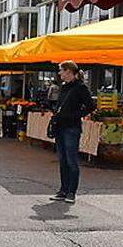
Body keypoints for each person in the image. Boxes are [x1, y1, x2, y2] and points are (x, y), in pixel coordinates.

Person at [51, 60, 96, 204]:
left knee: (71, 160)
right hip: (60, 127)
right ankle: (63, 190)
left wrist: (74, 115)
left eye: (61, 70)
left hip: (71, 128)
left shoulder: (80, 87)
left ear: (68, 71)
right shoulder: (63, 87)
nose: (59, 73)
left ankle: (71, 192)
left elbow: (90, 106)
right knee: (62, 160)